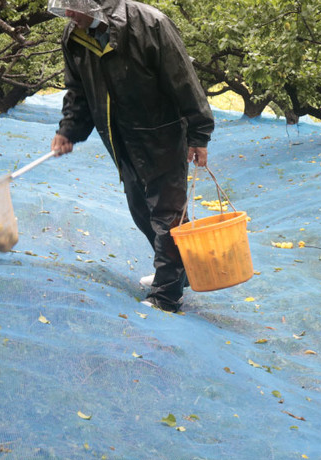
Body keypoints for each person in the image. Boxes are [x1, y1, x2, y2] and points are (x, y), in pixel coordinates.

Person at [47, 0, 214, 312]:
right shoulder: (75, 37)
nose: (67, 14)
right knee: (140, 208)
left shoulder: (149, 24)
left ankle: (166, 296)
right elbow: (78, 90)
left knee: (167, 214)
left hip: (161, 134)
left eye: (72, 6)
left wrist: (198, 133)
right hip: (120, 137)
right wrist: (69, 129)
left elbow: (183, 78)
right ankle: (178, 272)